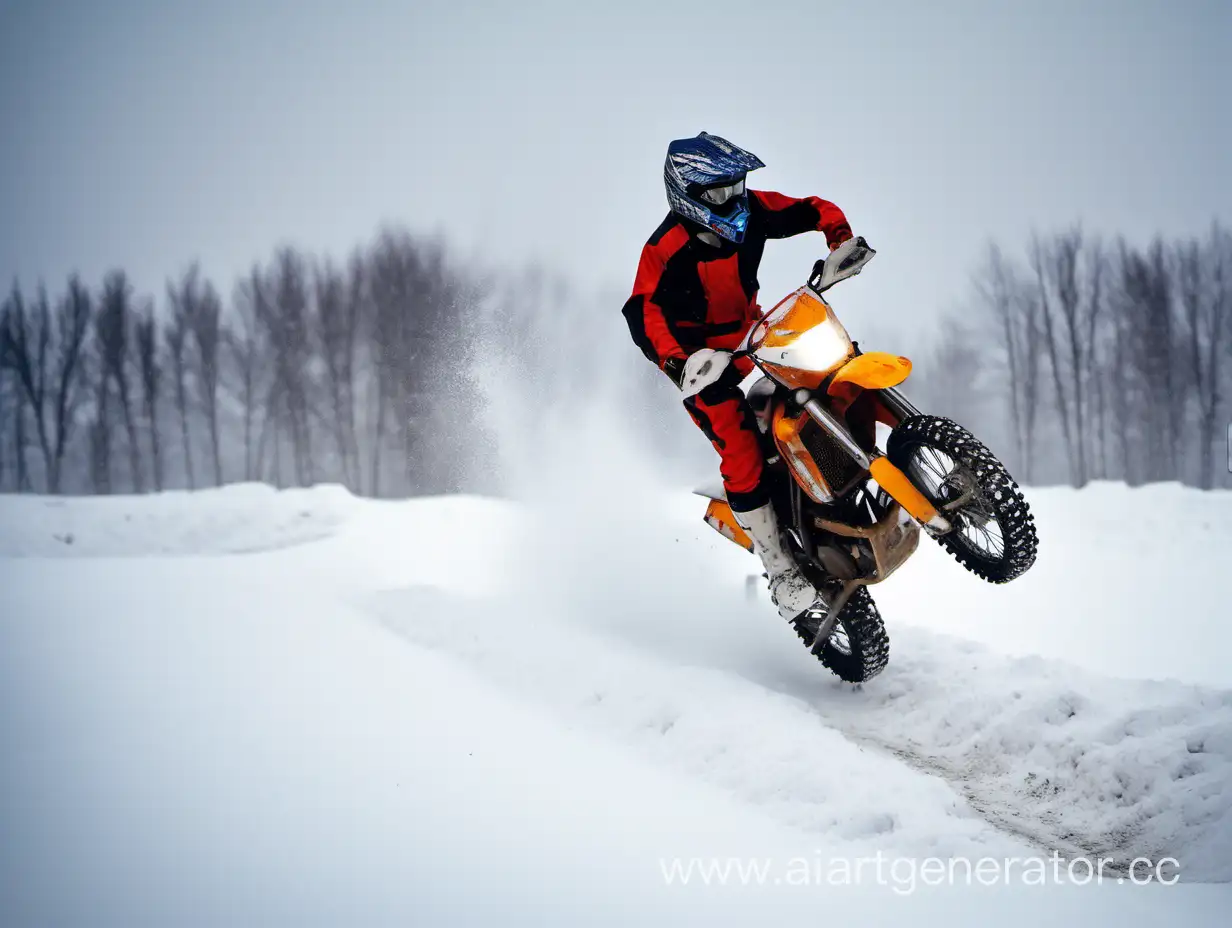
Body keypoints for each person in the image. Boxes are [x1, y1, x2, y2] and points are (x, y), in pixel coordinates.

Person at [621, 131, 854, 621]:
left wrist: (840, 238)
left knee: (830, 366)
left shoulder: (753, 211)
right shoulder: (665, 248)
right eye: (720, 191)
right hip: (703, 364)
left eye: (737, 185)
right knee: (740, 445)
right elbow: (643, 313)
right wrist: (676, 362)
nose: (734, 198)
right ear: (689, 194)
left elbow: (810, 208)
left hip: (752, 333)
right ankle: (781, 570)